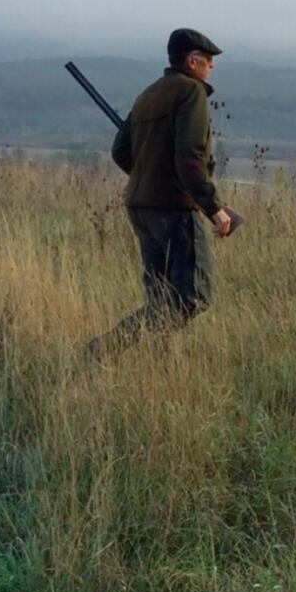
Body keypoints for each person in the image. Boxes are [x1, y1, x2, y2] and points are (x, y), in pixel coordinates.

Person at [86, 28, 232, 360]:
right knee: (192, 296)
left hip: (140, 206)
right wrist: (214, 208)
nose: (211, 67)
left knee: (162, 296)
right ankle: (105, 348)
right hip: (174, 209)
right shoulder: (191, 92)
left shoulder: (147, 94)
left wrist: (150, 176)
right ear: (192, 61)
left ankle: (166, 368)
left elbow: (121, 152)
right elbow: (190, 158)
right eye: (208, 60)